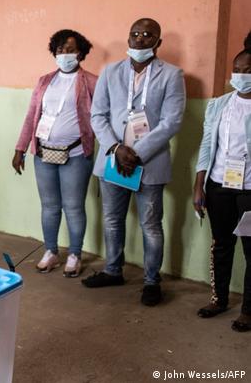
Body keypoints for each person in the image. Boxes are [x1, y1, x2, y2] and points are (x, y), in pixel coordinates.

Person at [82, 18, 186, 307]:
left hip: (149, 162)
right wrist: (116, 147)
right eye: (135, 33)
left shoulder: (172, 74)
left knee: (151, 225)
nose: (140, 39)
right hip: (113, 160)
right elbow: (97, 115)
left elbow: (171, 121)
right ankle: (113, 270)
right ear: (128, 38)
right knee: (112, 220)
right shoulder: (110, 71)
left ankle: (152, 281)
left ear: (158, 42)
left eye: (147, 34)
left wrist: (136, 152)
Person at [12, 29, 98, 277]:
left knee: (73, 206)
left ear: (80, 52)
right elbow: (32, 116)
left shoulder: (92, 81)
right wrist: (20, 148)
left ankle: (74, 254)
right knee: (49, 206)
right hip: (43, 153)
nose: (64, 54)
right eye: (59, 50)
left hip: (76, 154)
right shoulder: (44, 81)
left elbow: (102, 118)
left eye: (69, 49)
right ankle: (50, 251)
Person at [193, 48, 251, 332]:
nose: (241, 75)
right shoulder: (218, 105)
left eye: (248, 70)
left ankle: (249, 311)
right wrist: (199, 183)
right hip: (218, 186)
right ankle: (219, 299)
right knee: (221, 244)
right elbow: (206, 146)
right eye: (237, 69)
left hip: (249, 190)